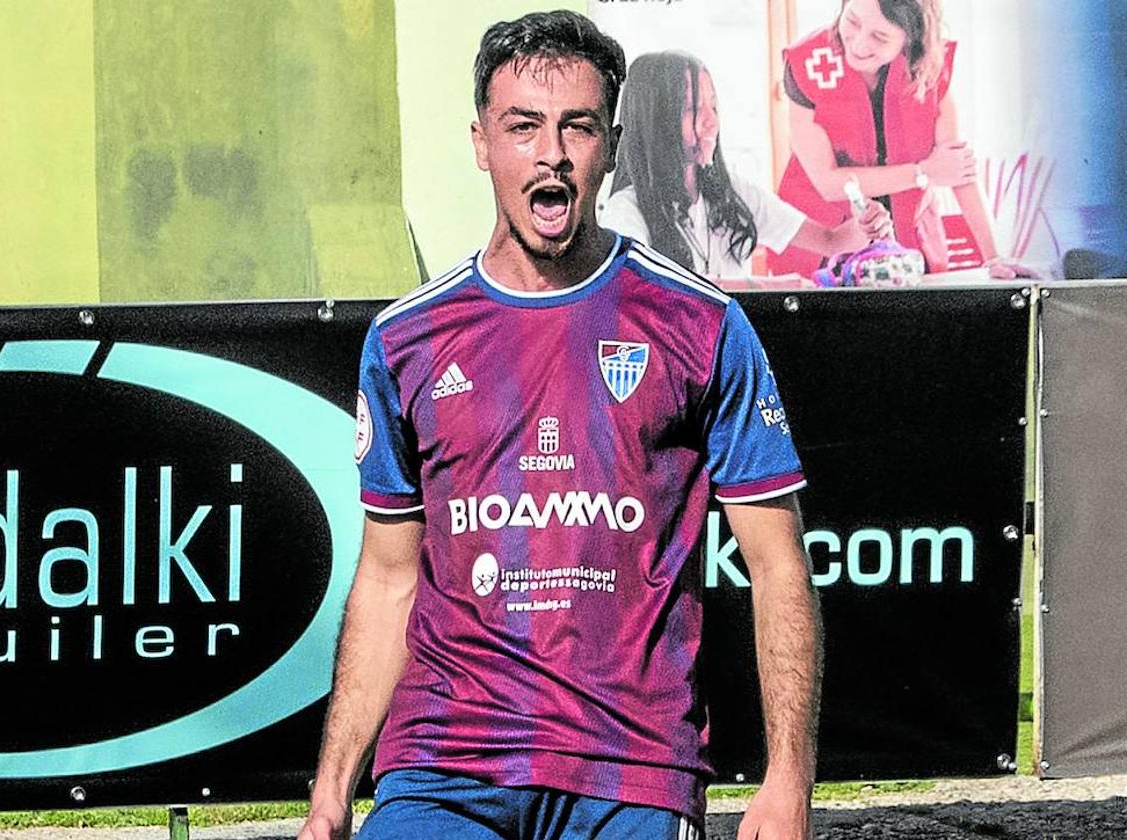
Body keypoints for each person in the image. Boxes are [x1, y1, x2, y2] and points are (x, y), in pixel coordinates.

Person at [299, 10, 822, 840]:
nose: (551, 153)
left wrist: (789, 780)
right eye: (523, 128)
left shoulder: (702, 325)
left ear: (610, 145)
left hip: (633, 772)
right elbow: (390, 577)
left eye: (577, 127)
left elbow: (777, 564)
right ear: (481, 143)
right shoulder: (404, 341)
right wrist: (331, 794)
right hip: (444, 766)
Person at [773, 0, 1012, 277]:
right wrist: (923, 173)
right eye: (852, 21)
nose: (859, 44)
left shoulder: (930, 67)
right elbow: (829, 182)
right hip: (822, 248)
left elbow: (956, 167)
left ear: (910, 38)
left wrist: (994, 258)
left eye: (879, 36)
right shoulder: (805, 64)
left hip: (908, 248)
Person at [602, 50, 891, 278]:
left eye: (713, 106)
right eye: (691, 108)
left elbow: (830, 240)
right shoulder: (625, 212)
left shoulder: (733, 193)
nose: (711, 121)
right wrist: (755, 287)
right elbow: (638, 298)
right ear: (655, 122)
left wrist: (866, 227)